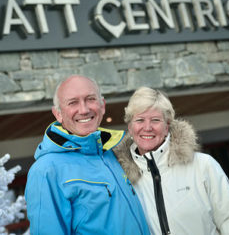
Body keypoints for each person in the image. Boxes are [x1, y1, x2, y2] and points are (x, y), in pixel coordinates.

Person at [113, 86, 229, 235]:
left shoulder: (203, 165)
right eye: (139, 120)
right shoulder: (122, 178)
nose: (147, 127)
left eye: (155, 120)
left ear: (167, 126)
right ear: (130, 128)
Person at [24, 75, 150, 235]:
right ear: (58, 113)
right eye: (73, 102)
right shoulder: (46, 170)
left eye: (90, 99)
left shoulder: (113, 154)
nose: (84, 110)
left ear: (102, 105)